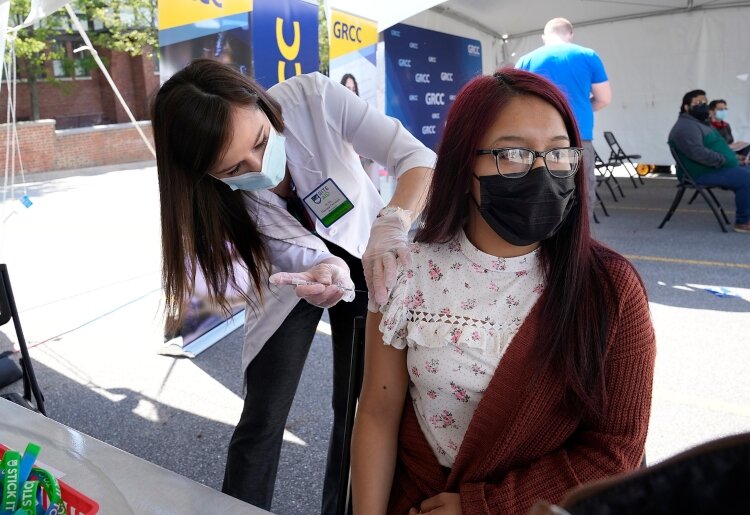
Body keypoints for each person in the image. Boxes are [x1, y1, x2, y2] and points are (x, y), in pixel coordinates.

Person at [351, 69, 656, 515]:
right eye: (512, 153)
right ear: (463, 162)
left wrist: (485, 508)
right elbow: (378, 414)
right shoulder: (404, 272)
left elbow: (616, 451)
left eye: (558, 154)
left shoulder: (610, 289)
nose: (541, 172)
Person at [151, 59, 435, 513]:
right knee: (263, 414)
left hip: (369, 250)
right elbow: (289, 252)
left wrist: (394, 222)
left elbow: (417, 158)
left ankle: (340, 508)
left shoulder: (314, 98)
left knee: (357, 408)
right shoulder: (210, 198)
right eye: (232, 170)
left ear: (260, 101)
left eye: (262, 142)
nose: (259, 167)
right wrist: (325, 268)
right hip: (289, 279)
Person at [516, 17, 611, 217]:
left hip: (537, 140)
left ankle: (542, 239)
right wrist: (581, 107)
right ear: (570, 34)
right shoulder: (588, 55)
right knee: (582, 192)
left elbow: (517, 103)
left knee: (541, 190)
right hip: (579, 136)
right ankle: (580, 241)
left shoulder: (525, 60)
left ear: (544, 37)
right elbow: (604, 99)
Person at [669, 89, 750, 233]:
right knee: (746, 179)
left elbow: (719, 147)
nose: (703, 105)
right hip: (699, 173)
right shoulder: (686, 127)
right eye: (698, 102)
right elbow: (697, 153)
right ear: (686, 107)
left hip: (712, 167)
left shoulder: (700, 123)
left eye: (705, 102)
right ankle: (742, 222)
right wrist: (724, 160)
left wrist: (737, 158)